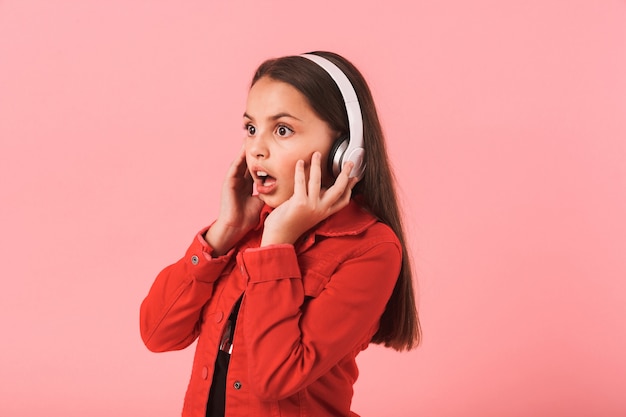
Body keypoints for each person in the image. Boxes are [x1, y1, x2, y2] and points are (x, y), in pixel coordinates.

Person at [140, 51, 421, 417]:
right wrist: (223, 233)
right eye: (251, 129)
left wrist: (276, 245)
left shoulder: (371, 249)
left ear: (343, 151)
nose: (256, 148)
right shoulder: (247, 228)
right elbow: (158, 333)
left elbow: (276, 378)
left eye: (283, 130)